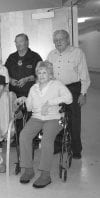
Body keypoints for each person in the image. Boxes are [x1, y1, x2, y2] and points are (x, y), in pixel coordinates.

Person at [16, 61, 72, 188]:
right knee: (24, 135)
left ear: (50, 74)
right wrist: (24, 100)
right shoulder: (33, 88)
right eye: (39, 72)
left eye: (44, 72)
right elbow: (30, 109)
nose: (41, 75)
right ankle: (28, 169)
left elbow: (69, 98)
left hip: (54, 118)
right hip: (37, 117)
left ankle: (46, 175)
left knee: (46, 139)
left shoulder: (56, 84)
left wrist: (50, 102)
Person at [47, 29, 91, 159]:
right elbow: (46, 72)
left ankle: (76, 149)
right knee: (55, 118)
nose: (58, 42)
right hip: (56, 89)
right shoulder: (51, 54)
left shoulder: (77, 53)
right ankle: (58, 145)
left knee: (74, 120)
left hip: (73, 89)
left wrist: (83, 93)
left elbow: (84, 75)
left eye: (61, 39)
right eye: (55, 40)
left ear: (68, 40)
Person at [5, 33, 42, 98]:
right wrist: (10, 80)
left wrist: (27, 79)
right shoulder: (11, 57)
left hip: (31, 95)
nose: (18, 44)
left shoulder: (35, 57)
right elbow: (4, 72)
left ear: (27, 42)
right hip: (13, 95)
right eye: (16, 42)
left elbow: (41, 75)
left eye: (21, 41)